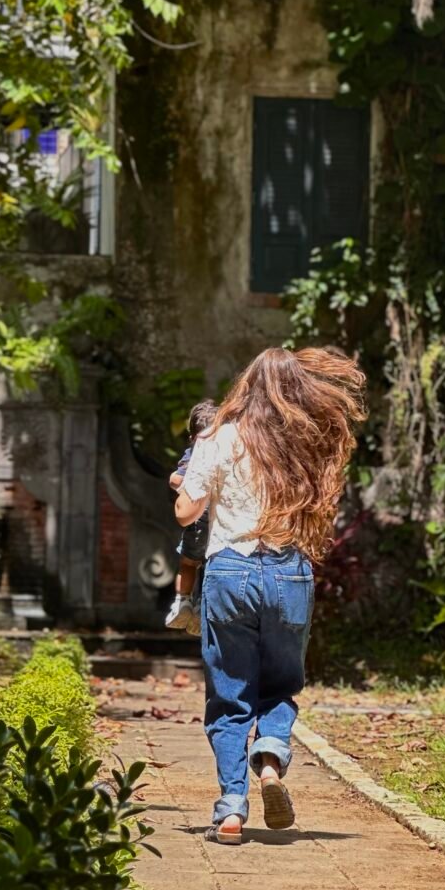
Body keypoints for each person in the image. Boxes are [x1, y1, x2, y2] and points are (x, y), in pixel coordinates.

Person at [174, 347, 366, 845]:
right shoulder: (303, 441)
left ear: (248, 386)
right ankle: (270, 762)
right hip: (290, 573)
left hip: (230, 572)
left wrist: (187, 485)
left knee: (230, 693)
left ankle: (231, 809)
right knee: (279, 685)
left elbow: (184, 512)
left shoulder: (220, 436)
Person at [164, 399, 218, 635]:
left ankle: (183, 601)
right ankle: (194, 606)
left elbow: (174, 479)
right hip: (213, 522)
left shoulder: (194, 454)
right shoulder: (224, 450)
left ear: (192, 436)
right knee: (205, 565)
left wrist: (193, 486)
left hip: (199, 520)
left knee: (187, 563)